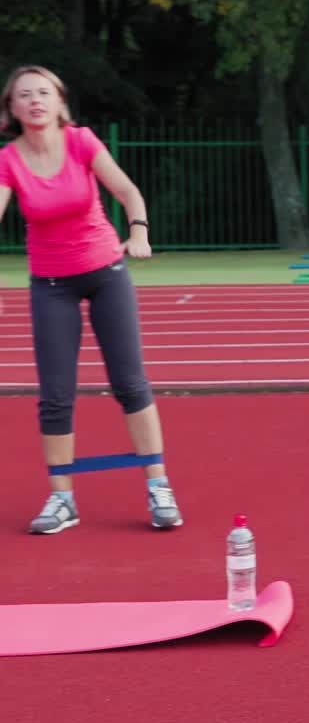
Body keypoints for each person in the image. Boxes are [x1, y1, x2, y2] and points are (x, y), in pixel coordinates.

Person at [0, 65, 181, 534]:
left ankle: (158, 485)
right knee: (55, 397)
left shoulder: (81, 141)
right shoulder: (8, 161)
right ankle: (63, 499)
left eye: (44, 92)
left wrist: (137, 231)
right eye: (25, 95)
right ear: (12, 109)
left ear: (60, 103)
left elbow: (127, 191)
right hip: (51, 285)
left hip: (106, 274)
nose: (35, 100)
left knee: (130, 383)